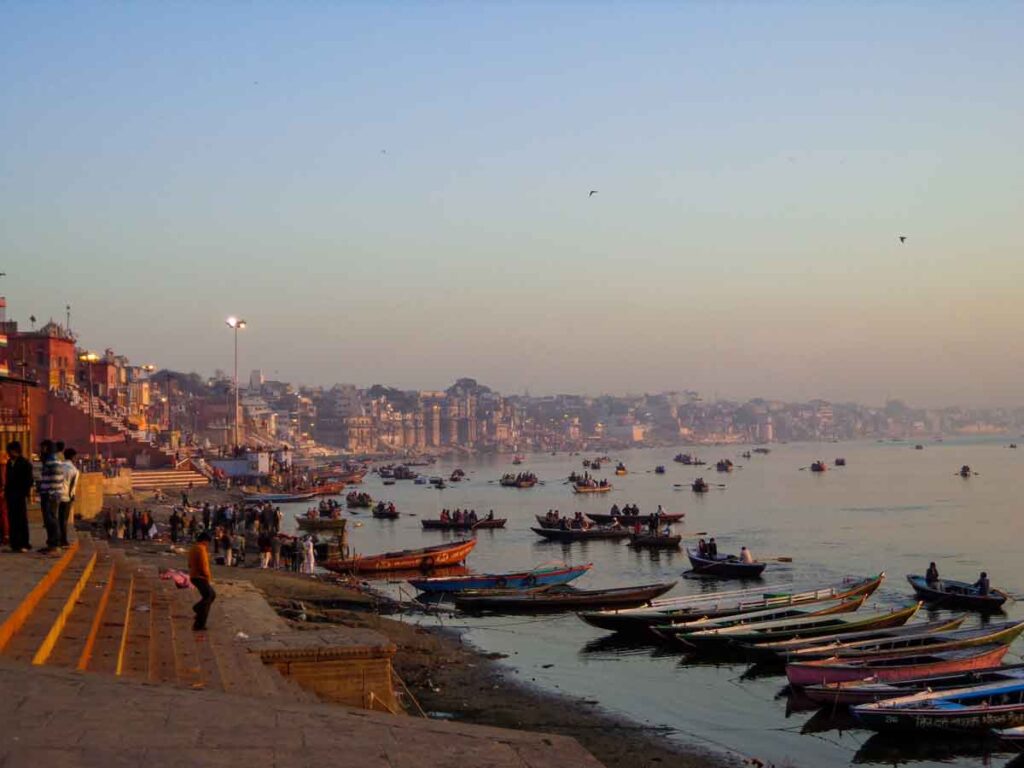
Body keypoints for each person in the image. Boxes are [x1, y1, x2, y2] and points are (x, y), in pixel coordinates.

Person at [4, 441, 34, 552]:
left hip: (20, 495)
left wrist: (23, 492)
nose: (9, 453)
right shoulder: (9, 463)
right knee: (12, 520)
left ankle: (24, 543)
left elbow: (29, 480)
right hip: (11, 495)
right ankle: (14, 544)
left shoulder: (24, 463)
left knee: (21, 520)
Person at [37, 440, 64, 552]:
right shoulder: (51, 460)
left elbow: (55, 478)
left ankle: (54, 544)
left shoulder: (52, 461)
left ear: (47, 448)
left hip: (50, 495)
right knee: (49, 519)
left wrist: (47, 491)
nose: (41, 450)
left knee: (51, 519)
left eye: (42, 448)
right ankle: (51, 543)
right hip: (50, 493)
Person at [188, 532, 215, 631]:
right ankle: (199, 623)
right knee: (209, 597)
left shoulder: (193, 548)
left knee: (210, 595)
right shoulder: (201, 549)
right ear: (205, 541)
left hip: (193, 575)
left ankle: (198, 608)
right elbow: (204, 566)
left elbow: (189, 564)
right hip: (201, 577)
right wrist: (208, 577)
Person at [56, 448, 80, 548]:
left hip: (57, 495)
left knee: (57, 519)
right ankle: (63, 540)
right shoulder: (74, 470)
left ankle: (58, 539)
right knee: (64, 520)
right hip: (66, 497)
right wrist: (72, 497)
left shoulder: (59, 466)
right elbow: (72, 486)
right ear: (73, 457)